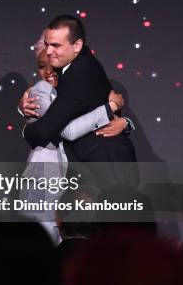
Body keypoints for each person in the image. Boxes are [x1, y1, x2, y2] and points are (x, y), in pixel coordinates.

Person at [22, 15, 137, 186]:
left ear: (77, 45)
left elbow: (61, 130)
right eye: (47, 44)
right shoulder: (74, 62)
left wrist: (26, 130)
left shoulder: (78, 73)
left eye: (56, 45)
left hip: (105, 164)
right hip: (88, 164)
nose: (49, 51)